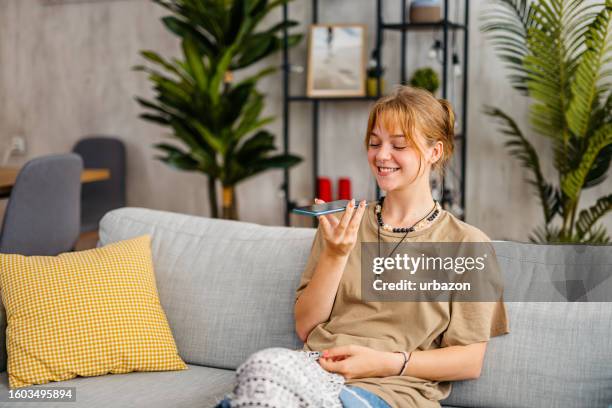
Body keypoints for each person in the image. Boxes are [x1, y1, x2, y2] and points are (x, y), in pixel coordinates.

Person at [216, 86, 509, 408]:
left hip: (391, 390)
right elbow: (306, 327)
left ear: (434, 152)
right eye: (374, 143)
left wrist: (385, 362)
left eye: (399, 145)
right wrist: (335, 254)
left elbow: (469, 362)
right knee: (262, 367)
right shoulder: (341, 223)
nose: (382, 156)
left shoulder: (468, 246)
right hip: (313, 370)